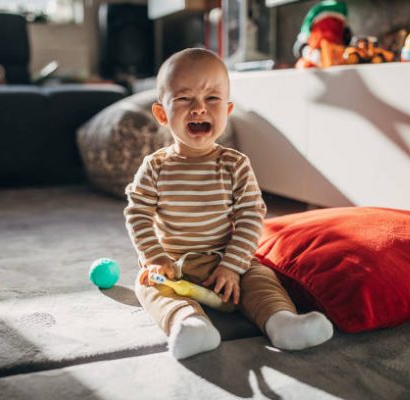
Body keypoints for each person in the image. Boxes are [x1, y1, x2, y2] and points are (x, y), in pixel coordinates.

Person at [124, 48, 333, 360]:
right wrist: (155, 257)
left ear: (228, 109)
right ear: (162, 114)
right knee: (150, 288)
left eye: (212, 99)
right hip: (174, 262)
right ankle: (190, 324)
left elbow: (251, 216)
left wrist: (232, 266)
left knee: (261, 278)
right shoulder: (155, 166)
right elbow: (137, 213)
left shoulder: (235, 164)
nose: (198, 109)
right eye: (184, 99)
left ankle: (283, 324)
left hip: (226, 256)